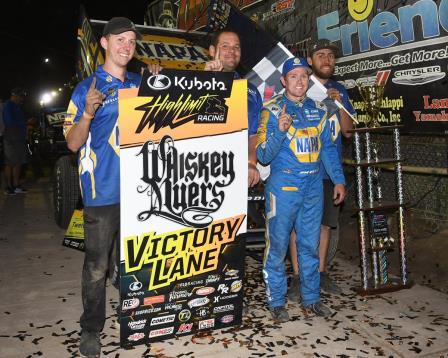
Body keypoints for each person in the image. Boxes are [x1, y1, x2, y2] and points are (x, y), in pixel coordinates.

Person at [64, 17, 158, 358]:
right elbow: (73, 144)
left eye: (132, 41)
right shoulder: (87, 87)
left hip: (142, 193)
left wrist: (159, 82)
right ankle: (91, 328)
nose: (126, 46)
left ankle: (135, 318)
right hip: (101, 193)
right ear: (104, 43)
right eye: (120, 39)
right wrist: (87, 113)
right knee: (96, 266)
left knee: (135, 261)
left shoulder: (140, 81)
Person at [256, 57, 345, 322]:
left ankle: (312, 299)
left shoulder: (320, 109)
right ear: (283, 81)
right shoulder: (271, 110)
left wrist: (338, 180)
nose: (299, 81)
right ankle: (276, 301)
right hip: (283, 187)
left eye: (303, 76)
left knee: (310, 245)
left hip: (313, 187)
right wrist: (281, 131)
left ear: (308, 80)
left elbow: (328, 148)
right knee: (278, 246)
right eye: (293, 76)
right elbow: (262, 155)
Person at [287, 40, 356, 302]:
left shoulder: (339, 90)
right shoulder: (302, 83)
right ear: (310, 59)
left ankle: (321, 273)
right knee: (297, 224)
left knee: (326, 223)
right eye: (320, 55)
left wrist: (338, 106)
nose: (326, 59)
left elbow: (348, 131)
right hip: (302, 167)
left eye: (330, 55)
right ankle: (296, 277)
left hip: (330, 168)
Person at [204, 28, 262, 188]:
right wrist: (207, 80)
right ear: (212, 51)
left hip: (236, 174)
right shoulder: (192, 84)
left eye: (236, 47)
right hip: (200, 174)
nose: (232, 51)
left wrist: (251, 163)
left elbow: (253, 135)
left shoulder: (250, 91)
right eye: (225, 46)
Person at [2, 88, 29, 195]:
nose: (21, 98)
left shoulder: (17, 106)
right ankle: (9, 187)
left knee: (19, 162)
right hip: (11, 137)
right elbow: (9, 121)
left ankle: (16, 185)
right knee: (10, 162)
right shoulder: (9, 105)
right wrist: (25, 123)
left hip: (19, 137)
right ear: (14, 95)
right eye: (20, 96)